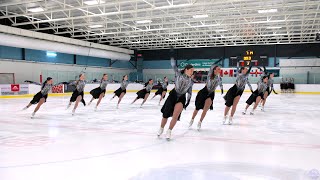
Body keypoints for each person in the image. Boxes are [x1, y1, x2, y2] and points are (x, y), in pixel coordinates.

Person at [157, 58, 194, 140]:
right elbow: (174, 66)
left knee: (176, 115)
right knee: (165, 115)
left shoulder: (191, 81)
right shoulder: (178, 74)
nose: (192, 72)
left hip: (182, 98)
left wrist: (188, 101)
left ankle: (169, 131)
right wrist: (172, 58)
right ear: (186, 70)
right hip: (173, 95)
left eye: (193, 70)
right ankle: (161, 128)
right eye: (191, 70)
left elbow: (190, 92)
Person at [189, 65, 223, 130]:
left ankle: (200, 122)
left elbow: (220, 84)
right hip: (204, 92)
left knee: (206, 109)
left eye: (220, 69)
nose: (220, 70)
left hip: (211, 94)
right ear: (214, 70)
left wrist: (222, 89)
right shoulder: (210, 75)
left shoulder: (219, 77)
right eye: (218, 69)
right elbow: (211, 69)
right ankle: (192, 119)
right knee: (197, 108)